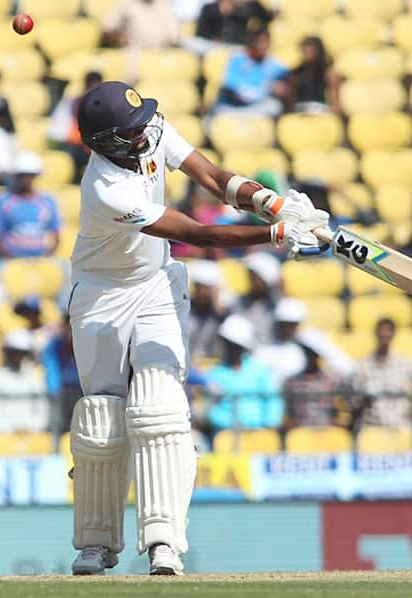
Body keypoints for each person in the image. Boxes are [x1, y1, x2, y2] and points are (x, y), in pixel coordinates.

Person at [66, 80, 328, 575]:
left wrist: (272, 202)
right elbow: (196, 232)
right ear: (107, 143)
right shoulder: (106, 188)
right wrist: (275, 234)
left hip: (156, 285)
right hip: (101, 296)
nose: (145, 132)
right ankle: (97, 542)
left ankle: (164, 540)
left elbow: (213, 177)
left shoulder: (150, 130)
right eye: (131, 129)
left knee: (159, 406)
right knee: (103, 419)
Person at [204, 314, 282, 432]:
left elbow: (272, 400)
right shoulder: (213, 374)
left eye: (236, 346)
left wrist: (269, 426)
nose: (231, 348)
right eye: (228, 344)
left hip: (259, 434)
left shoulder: (260, 370)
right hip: (223, 434)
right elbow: (210, 410)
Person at [0, 151, 61, 258]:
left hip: (40, 258)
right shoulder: (3, 201)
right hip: (10, 258)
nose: (26, 179)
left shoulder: (48, 201)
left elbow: (57, 235)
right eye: (22, 175)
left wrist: (46, 258)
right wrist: (11, 259)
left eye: (30, 175)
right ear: (16, 176)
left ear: (36, 176)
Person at [351, 318, 412, 429]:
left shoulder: (406, 364)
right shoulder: (363, 365)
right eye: (381, 330)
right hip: (372, 426)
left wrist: (411, 411)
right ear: (376, 333)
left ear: (393, 334)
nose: (384, 334)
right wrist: (366, 397)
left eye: (388, 330)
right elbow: (355, 401)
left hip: (400, 424)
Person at [0, 329, 50, 434]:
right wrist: (8, 430)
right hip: (2, 434)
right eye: (14, 352)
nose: (17, 356)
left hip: (32, 434)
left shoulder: (35, 376)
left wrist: (31, 428)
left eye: (22, 353)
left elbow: (42, 409)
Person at [211, 28, 288, 118]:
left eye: (266, 42)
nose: (263, 45)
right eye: (260, 42)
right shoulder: (237, 60)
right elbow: (230, 85)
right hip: (234, 105)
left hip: (256, 106)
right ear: (252, 43)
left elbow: (287, 81)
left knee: (274, 106)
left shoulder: (274, 64)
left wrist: (282, 88)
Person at [102, 0, 179, 50]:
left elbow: (174, 38)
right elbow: (107, 29)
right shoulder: (126, 3)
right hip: (133, 53)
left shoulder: (165, 6)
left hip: (160, 55)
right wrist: (118, 37)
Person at [190, 0, 272, 53]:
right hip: (210, 45)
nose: (229, 3)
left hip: (233, 48)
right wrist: (214, 38)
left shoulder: (242, 11)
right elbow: (201, 31)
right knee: (193, 43)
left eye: (232, 0)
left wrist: (254, 0)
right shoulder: (209, 9)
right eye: (227, 0)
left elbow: (267, 17)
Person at [48, 71, 103, 179]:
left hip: (94, 145)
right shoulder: (75, 102)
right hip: (76, 143)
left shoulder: (104, 104)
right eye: (90, 85)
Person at [254, 297, 308, 388]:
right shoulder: (262, 352)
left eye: (293, 325)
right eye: (285, 324)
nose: (288, 330)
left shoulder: (302, 351)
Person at [233, 251, 282, 345]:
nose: (249, 278)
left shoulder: (279, 305)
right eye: (249, 274)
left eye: (253, 275)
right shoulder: (238, 301)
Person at [286, 36, 341, 115]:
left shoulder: (328, 74)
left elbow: (335, 104)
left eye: (310, 51)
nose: (307, 54)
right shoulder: (295, 74)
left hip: (321, 110)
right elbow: (290, 102)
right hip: (300, 110)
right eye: (305, 51)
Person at [186, 259, 228, 360]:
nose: (203, 292)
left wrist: (217, 305)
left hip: (213, 365)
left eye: (207, 288)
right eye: (200, 287)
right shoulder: (184, 309)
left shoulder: (223, 314)